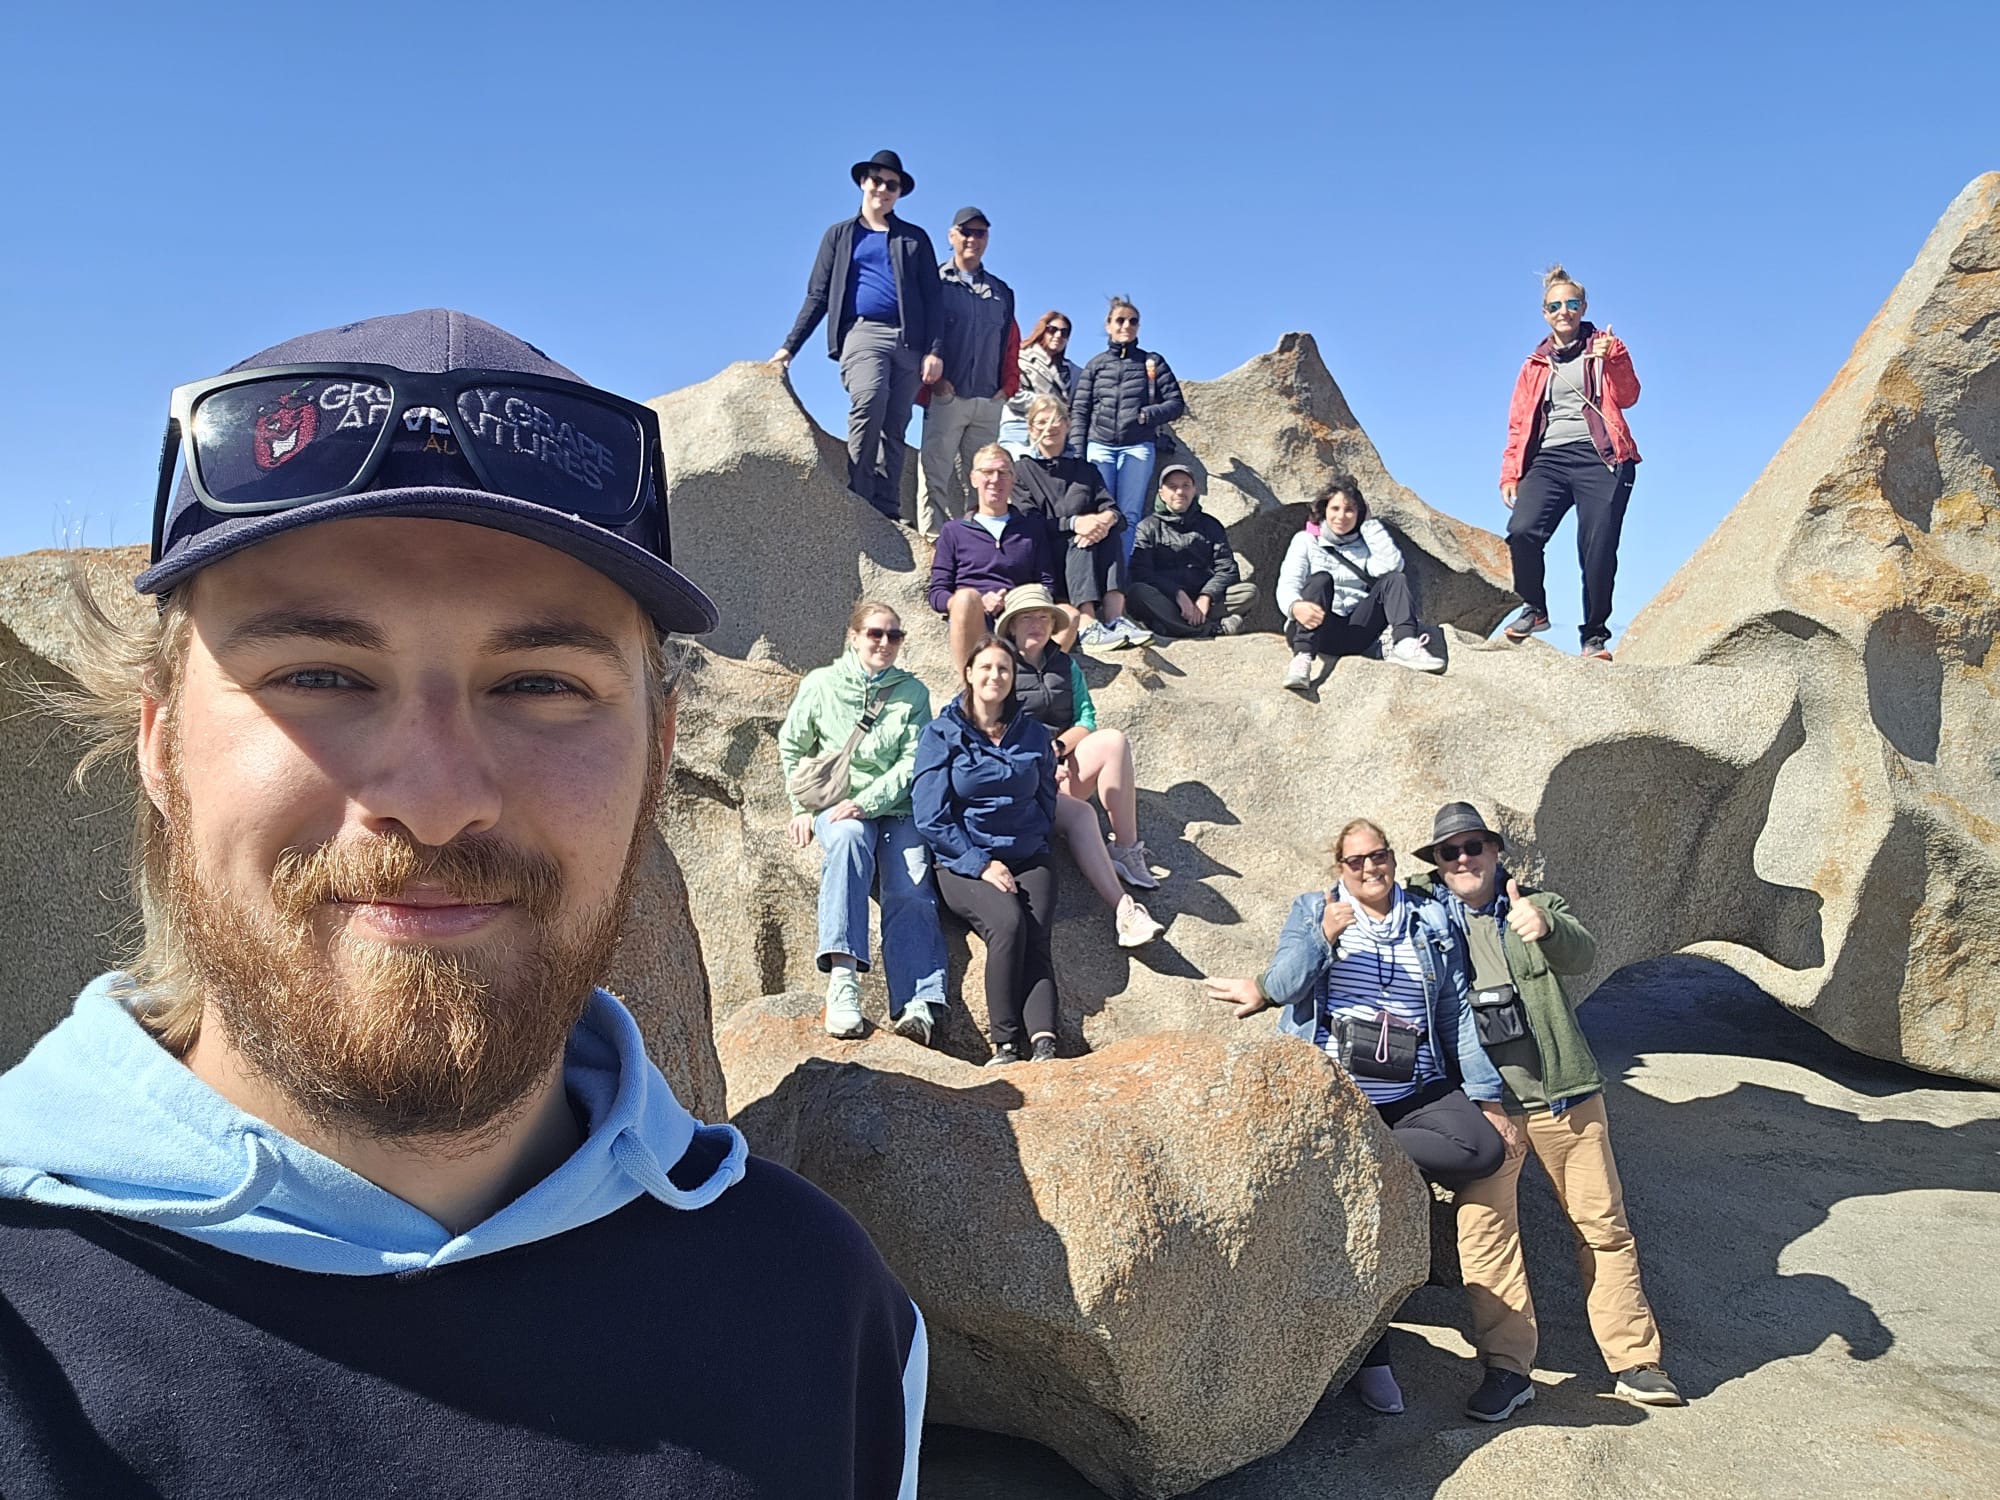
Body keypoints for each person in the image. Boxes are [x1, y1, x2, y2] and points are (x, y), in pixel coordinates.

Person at [0, 310, 925, 1494]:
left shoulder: (823, 1315)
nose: (435, 801)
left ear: (659, 754)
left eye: (541, 683)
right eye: (320, 675)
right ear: (160, 742)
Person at [1205, 818, 1506, 1417]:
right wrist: (1323, 936)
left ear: (1393, 859)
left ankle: (1367, 1153)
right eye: (1356, 861)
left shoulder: (1428, 918)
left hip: (1414, 1087)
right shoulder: (1314, 910)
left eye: (1380, 856)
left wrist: (1486, 1093)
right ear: (1339, 869)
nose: (1371, 869)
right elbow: (1287, 985)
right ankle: (1375, 1359)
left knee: (1484, 1149)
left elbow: (1453, 1012)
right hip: (1341, 1094)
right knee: (1360, 1225)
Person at [1406, 802, 1681, 1419]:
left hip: (1564, 1096)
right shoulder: (1427, 916)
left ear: (1495, 852)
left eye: (1473, 846)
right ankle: (1507, 1370)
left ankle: (1635, 1361)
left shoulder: (1538, 905)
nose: (1463, 859)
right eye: (1449, 852)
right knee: (1484, 1239)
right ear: (1438, 865)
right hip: (1484, 1111)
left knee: (1602, 1227)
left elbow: (1581, 952)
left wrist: (1543, 925)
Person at [779, 600, 949, 1045]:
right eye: (875, 633)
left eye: (894, 635)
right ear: (853, 637)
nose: (885, 643)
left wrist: (868, 801)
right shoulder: (821, 685)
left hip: (896, 807)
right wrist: (800, 809)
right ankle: (843, 977)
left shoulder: (913, 693)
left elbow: (914, 762)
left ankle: (917, 1002)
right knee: (850, 842)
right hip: (838, 807)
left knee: (911, 885)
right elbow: (792, 746)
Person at [912, 637, 1065, 1066]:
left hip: (1028, 854)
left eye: (1004, 669)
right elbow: (931, 817)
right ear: (968, 673)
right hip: (963, 860)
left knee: (1037, 935)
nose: (994, 676)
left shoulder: (1033, 734)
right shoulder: (941, 734)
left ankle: (1045, 1043)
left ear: (1013, 678)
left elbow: (1046, 795)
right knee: (1008, 923)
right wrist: (981, 864)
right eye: (986, 668)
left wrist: (1032, 841)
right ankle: (1006, 1044)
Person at [772, 149, 946, 521]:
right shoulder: (840, 236)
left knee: (895, 424)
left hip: (910, 342)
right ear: (864, 182)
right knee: (869, 399)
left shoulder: (914, 239)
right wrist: (789, 348)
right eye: (877, 180)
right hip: (863, 333)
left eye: (892, 184)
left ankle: (886, 508)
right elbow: (818, 295)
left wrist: (934, 351)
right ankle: (859, 493)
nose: (883, 189)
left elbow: (934, 299)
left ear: (899, 192)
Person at [993, 586, 1165, 950]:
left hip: (1058, 764)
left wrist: (1057, 749)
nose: (1037, 624)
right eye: (1027, 617)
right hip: (1020, 782)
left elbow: (1086, 717)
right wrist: (1040, 762)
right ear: (1011, 627)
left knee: (1113, 740)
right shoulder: (999, 669)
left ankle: (1126, 847)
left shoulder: (1064, 664)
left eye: (1043, 617)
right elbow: (995, 732)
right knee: (1082, 813)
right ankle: (1125, 911)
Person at [1498, 265, 1641, 661]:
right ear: (1545, 312)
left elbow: (1629, 396)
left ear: (1583, 307)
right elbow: (1517, 422)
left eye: (1572, 303)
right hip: (1549, 459)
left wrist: (1615, 358)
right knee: (1522, 531)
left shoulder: (1605, 347)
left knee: (1596, 549)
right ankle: (1535, 609)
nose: (1564, 311)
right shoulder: (1534, 365)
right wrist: (1511, 472)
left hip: (1601, 457)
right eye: (1555, 305)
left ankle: (1594, 636)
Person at [1275, 473, 1445, 689]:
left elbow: (1392, 566)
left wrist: (1369, 525)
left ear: (1359, 514)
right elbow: (1288, 583)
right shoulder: (1306, 541)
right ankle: (1302, 659)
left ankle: (1405, 643)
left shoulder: (1364, 547)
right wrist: (1294, 607)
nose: (1341, 516)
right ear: (1324, 510)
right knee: (1320, 579)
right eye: (1335, 508)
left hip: (1355, 632)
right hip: (1316, 627)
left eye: (1350, 510)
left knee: (1395, 579)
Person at [1008, 395, 1151, 650]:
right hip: (1048, 557)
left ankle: (1116, 620)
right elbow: (1029, 522)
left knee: (1108, 534)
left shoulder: (1085, 469)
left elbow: (1111, 508)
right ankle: (1087, 625)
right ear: (1031, 428)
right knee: (1081, 539)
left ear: (1067, 424)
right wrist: (1075, 523)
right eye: (1042, 422)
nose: (1049, 427)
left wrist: (1106, 519)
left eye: (1056, 421)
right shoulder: (1022, 471)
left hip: (1088, 551)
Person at [912, 206, 1020, 536]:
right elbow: (917, 335)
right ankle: (932, 542)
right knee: (935, 474)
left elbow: (1011, 343)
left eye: (980, 233)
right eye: (966, 232)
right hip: (947, 396)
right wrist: (938, 386)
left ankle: (979, 544)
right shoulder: (932, 283)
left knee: (987, 480)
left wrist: (1006, 390)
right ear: (952, 235)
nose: (973, 238)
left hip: (988, 401)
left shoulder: (1001, 292)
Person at [1069, 297, 1185, 564]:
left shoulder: (1151, 362)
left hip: (1138, 446)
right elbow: (1080, 411)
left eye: (1133, 321)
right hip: (1099, 445)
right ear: (1108, 325)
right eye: (1120, 320)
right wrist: (1077, 452)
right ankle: (1100, 574)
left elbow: (1176, 404)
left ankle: (1121, 578)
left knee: (1129, 515)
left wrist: (1147, 414)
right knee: (1098, 511)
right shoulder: (1096, 365)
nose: (1126, 326)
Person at [927, 444, 1062, 670]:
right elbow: (937, 593)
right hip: (972, 618)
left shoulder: (1031, 528)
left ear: (1012, 479)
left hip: (1018, 616)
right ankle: (969, 688)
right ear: (973, 478)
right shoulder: (953, 530)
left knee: (1069, 616)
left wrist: (1013, 602)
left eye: (1003, 473)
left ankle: (1029, 679)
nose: (995, 479)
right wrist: (976, 602)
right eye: (987, 472)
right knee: (965, 598)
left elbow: (1047, 584)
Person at [1124, 463, 1259, 639]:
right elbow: (1141, 572)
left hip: (1204, 602)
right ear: (1161, 493)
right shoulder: (1148, 527)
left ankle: (1173, 627)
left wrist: (1206, 596)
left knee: (1249, 592)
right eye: (1172, 487)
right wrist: (1178, 594)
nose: (1180, 492)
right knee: (1138, 593)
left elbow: (1227, 569)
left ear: (1194, 490)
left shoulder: (1210, 525)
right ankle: (1209, 629)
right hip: (1167, 601)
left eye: (1185, 486)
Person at [998, 310, 1079, 456]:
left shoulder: (1072, 371)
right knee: (1016, 470)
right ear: (1042, 330)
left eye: (1064, 332)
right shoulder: (1020, 358)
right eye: (1052, 330)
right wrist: (1047, 404)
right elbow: (1012, 393)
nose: (1058, 335)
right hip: (1018, 424)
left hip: (1053, 429)